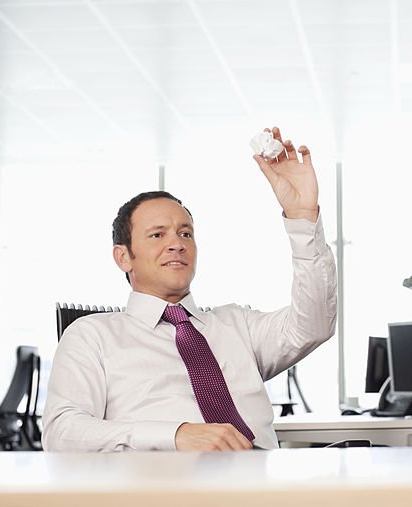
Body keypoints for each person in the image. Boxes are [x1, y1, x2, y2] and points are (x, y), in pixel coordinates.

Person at [43, 127, 336, 451]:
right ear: (123, 256)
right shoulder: (92, 336)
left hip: (262, 488)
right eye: (157, 235)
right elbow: (62, 433)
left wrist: (302, 217)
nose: (176, 244)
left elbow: (314, 324)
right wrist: (175, 435)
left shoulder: (237, 325)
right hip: (163, 490)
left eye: (185, 234)